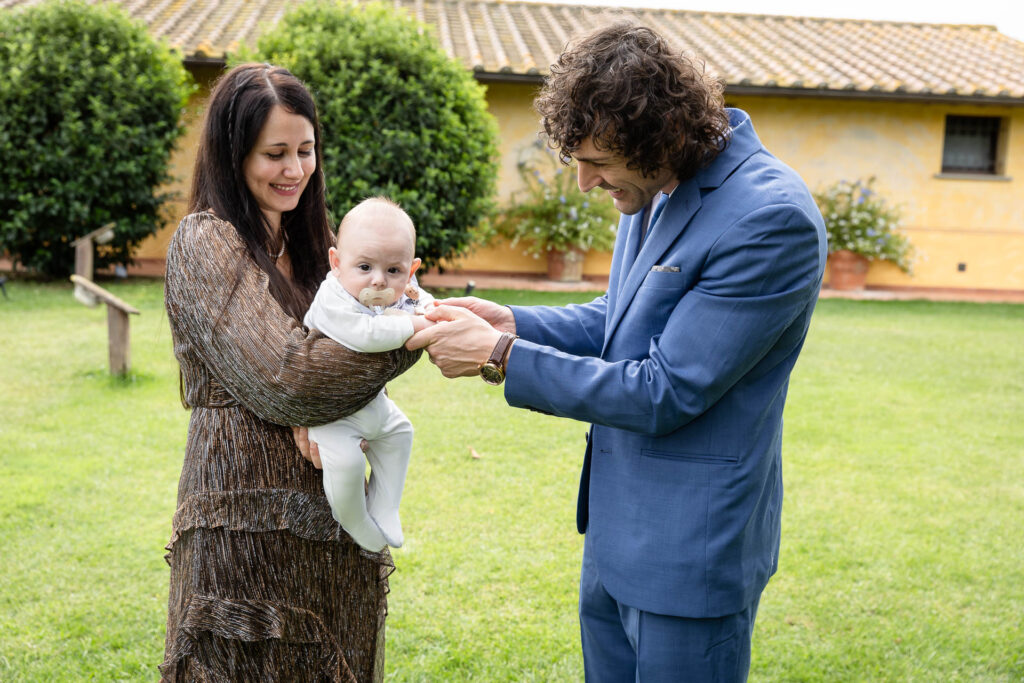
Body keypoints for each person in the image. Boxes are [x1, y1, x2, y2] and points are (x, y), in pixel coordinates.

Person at [407, 22, 827, 682]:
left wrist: (501, 356)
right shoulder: (659, 186)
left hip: (691, 555)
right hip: (613, 539)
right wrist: (512, 319)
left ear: (660, 136)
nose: (583, 182)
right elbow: (621, 321)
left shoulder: (771, 218)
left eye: (597, 162)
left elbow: (666, 387)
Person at [161, 63, 420, 682]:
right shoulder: (205, 242)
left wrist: (401, 321)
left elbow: (395, 294)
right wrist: (412, 334)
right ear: (233, 153)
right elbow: (288, 379)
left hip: (331, 523)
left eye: (305, 150)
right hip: (245, 524)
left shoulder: (317, 243)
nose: (295, 170)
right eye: (274, 153)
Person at [303, 197, 435, 551]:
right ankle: (354, 519)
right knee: (345, 465)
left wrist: (426, 308)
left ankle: (385, 506)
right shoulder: (331, 298)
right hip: (332, 415)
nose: (378, 281)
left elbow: (422, 301)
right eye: (364, 267)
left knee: (400, 433)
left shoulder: (400, 292)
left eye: (393, 271)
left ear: (411, 271)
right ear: (336, 262)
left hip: (372, 405)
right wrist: (417, 324)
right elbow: (367, 337)